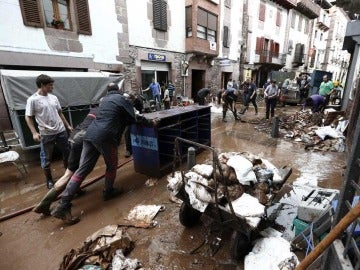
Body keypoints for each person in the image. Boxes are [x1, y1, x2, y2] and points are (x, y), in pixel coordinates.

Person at [51, 84, 156, 224]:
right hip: (105, 136)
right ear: (120, 92)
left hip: (90, 134)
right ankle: (108, 191)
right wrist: (151, 122)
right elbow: (135, 118)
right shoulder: (122, 100)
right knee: (112, 166)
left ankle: (63, 205)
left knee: (82, 169)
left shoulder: (104, 100)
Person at [33, 107, 99, 216]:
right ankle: (45, 204)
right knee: (73, 173)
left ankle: (73, 191)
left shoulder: (94, 110)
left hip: (74, 136)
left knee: (73, 171)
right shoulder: (106, 111)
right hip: (82, 139)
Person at [25, 74, 73, 189]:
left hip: (61, 131)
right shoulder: (32, 100)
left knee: (67, 153)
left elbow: (60, 112)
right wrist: (34, 133)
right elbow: (28, 117)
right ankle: (49, 180)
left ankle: (68, 175)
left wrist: (68, 126)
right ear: (42, 85)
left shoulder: (54, 98)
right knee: (46, 158)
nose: (52, 87)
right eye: (50, 85)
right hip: (46, 134)